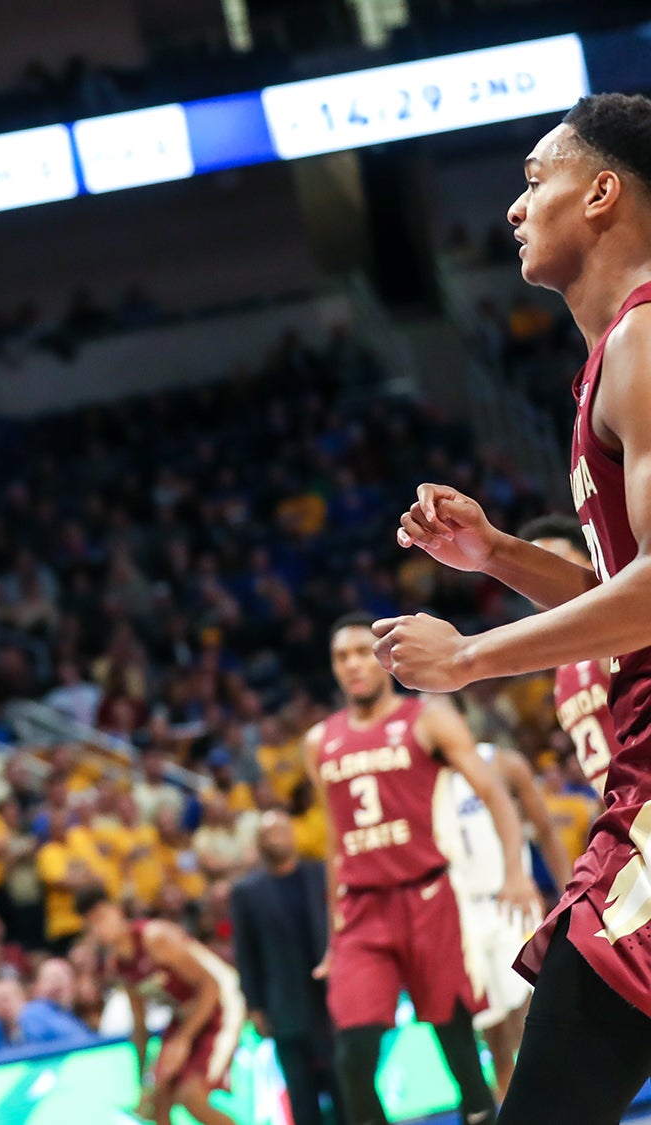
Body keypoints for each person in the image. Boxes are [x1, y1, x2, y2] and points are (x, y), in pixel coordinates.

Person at [377, 93, 651, 1124]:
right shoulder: (611, 356)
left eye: (534, 179)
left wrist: (466, 660)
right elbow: (621, 593)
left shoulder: (642, 339)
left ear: (600, 192)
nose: (510, 207)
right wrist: (494, 554)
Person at [306, 615, 540, 1125]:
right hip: (363, 910)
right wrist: (333, 932)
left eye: (360, 653)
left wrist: (515, 874)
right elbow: (334, 841)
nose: (351, 665)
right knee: (353, 1054)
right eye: (340, 657)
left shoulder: (427, 718)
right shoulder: (319, 740)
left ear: (384, 658)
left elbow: (495, 793)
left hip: (430, 898)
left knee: (457, 1043)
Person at [432, 731, 574, 1101]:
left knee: (532, 1018)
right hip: (462, 914)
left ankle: (559, 1107)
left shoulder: (503, 764)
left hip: (511, 900)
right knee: (494, 1037)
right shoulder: (423, 776)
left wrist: (570, 897)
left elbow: (545, 830)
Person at [84, 892, 242, 1125]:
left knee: (191, 1097)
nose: (99, 929)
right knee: (157, 1096)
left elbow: (211, 986)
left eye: (101, 918)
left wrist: (183, 1039)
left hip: (222, 1004)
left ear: (118, 911)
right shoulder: (119, 965)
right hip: (186, 1015)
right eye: (91, 925)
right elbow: (140, 1026)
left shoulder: (155, 937)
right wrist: (141, 1083)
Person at [230, 811, 336, 1125]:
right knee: (300, 1090)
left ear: (293, 834)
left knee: (345, 1081)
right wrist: (255, 1006)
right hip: (284, 1002)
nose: (276, 836)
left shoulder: (321, 874)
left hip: (330, 996)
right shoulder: (247, 891)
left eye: (281, 828)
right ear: (259, 843)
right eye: (268, 832)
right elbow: (245, 953)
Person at [519, 514, 621, 795]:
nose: (539, 575)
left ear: (591, 562)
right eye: (530, 567)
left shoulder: (620, 627)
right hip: (631, 815)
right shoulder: (564, 662)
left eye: (552, 560)